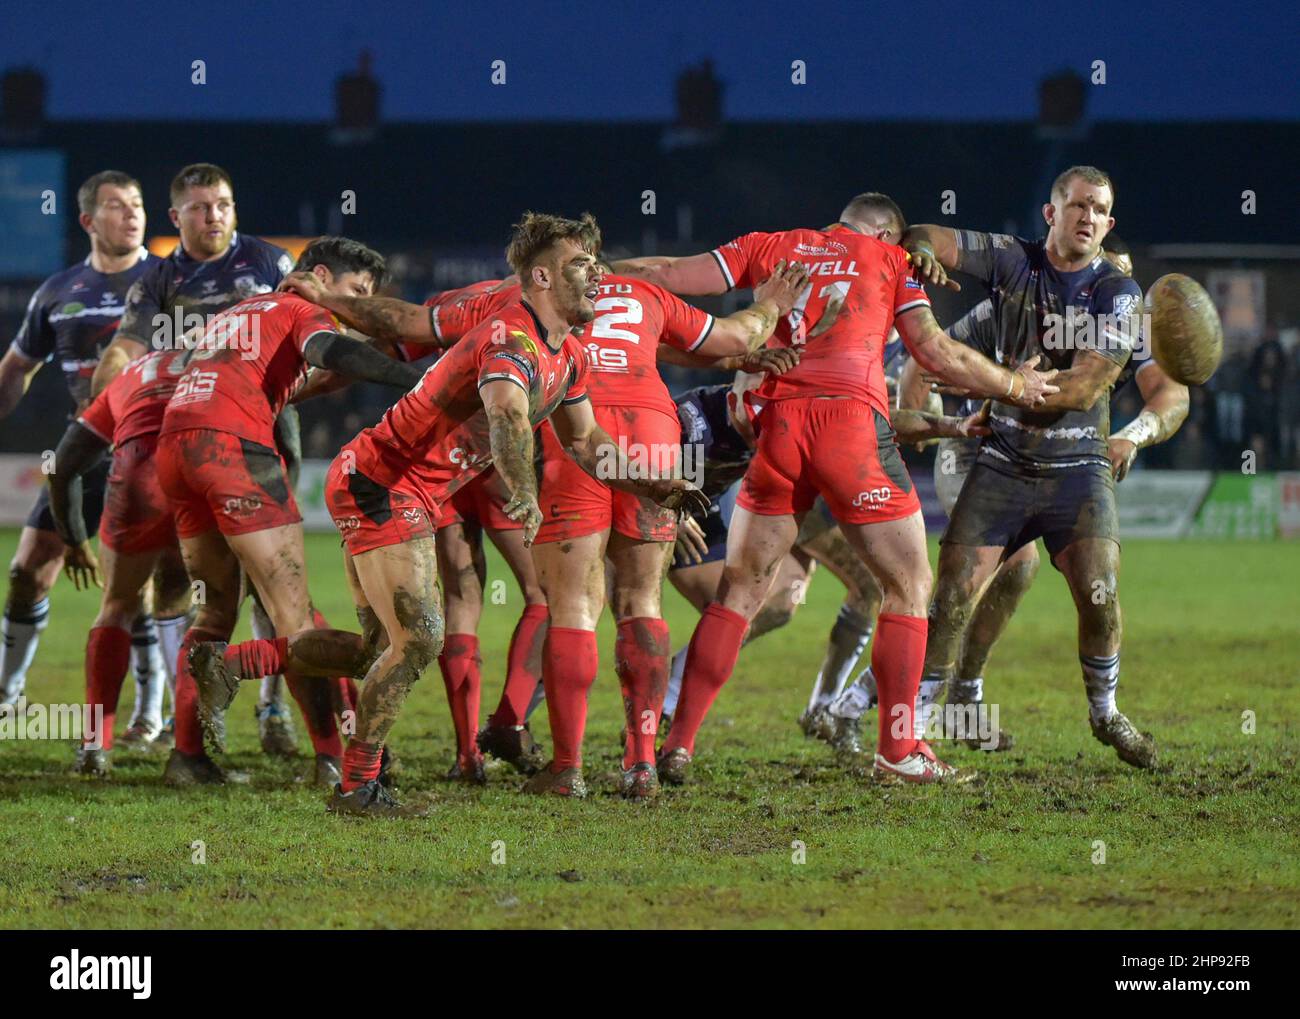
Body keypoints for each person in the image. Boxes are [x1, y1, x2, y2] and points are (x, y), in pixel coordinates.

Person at [194, 211, 706, 815]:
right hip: (382, 484)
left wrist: (653, 483)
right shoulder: (509, 337)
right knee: (421, 639)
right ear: (540, 278)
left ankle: (232, 663)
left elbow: (589, 442)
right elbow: (507, 415)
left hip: (402, 487)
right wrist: (521, 489)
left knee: (375, 649)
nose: (597, 276)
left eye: (597, 263)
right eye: (580, 266)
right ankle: (357, 788)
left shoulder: (569, 356)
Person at [613, 191, 1057, 784]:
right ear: (889, 236)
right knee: (908, 586)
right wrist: (1015, 386)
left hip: (779, 432)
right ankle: (898, 751)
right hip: (850, 430)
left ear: (842, 223)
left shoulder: (771, 245)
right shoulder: (891, 262)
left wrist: (591, 274)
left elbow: (664, 274)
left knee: (741, 593)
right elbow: (937, 353)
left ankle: (680, 744)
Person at [900, 166, 1159, 768]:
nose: (1087, 217)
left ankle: (1106, 713)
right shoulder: (1012, 261)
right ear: (1051, 214)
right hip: (1003, 463)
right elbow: (928, 235)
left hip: (1079, 467)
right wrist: (918, 248)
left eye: (1098, 209)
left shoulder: (1119, 293)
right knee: (951, 599)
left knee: (1100, 593)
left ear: (1109, 224)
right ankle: (913, 732)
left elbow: (1084, 388)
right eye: (1076, 206)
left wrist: (1001, 385)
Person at [155, 236, 422, 786]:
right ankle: (332, 752)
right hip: (233, 450)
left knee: (213, 614)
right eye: (356, 292)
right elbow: (330, 351)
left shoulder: (243, 312)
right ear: (319, 276)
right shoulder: (302, 308)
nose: (360, 307)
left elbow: (289, 382)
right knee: (297, 625)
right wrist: (416, 380)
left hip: (177, 447)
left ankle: (187, 759)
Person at [90, 162, 314, 755]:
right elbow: (128, 346)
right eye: (199, 207)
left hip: (265, 437)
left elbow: (308, 336)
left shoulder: (271, 265)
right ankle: (182, 722)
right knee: (182, 579)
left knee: (272, 582)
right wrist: (109, 385)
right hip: (189, 440)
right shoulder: (161, 279)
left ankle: (274, 712)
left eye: (222, 204)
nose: (213, 215)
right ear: (176, 217)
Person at [0, 170, 171, 733]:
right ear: (87, 220)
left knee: (138, 586)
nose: (131, 215)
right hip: (82, 451)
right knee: (26, 572)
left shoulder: (169, 280)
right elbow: (16, 369)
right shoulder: (58, 291)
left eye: (138, 204)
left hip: (151, 451)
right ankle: (8, 690)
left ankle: (149, 712)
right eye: (117, 206)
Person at [46, 348, 194, 775]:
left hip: (137, 473)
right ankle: (190, 747)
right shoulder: (218, 361)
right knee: (193, 608)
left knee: (117, 604)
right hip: (202, 470)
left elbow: (59, 467)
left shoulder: (126, 377)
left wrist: (74, 541)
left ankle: (95, 745)